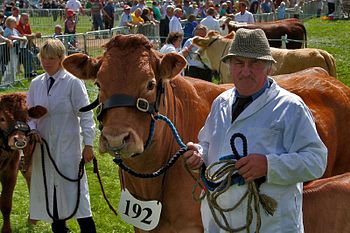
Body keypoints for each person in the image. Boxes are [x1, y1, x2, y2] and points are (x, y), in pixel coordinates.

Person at [183, 28, 327, 233]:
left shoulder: (290, 107)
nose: (245, 71)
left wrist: (269, 166)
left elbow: (316, 161)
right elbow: (207, 143)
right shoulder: (221, 103)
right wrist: (199, 153)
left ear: (269, 67)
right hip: (220, 220)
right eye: (239, 63)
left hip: (270, 225)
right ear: (229, 66)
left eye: (254, 63)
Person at [27, 39, 97, 233]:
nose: (47, 62)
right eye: (43, 58)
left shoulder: (73, 83)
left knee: (77, 195)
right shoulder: (36, 84)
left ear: (61, 59)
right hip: (44, 148)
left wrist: (89, 145)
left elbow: (86, 114)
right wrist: (32, 129)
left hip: (68, 147)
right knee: (51, 193)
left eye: (51, 58)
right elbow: (29, 114)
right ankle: (59, 229)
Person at [2, 16, 27, 84]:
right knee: (10, 66)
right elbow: (10, 37)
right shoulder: (7, 29)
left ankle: (13, 80)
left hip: (15, 49)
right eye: (14, 22)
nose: (16, 23)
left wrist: (24, 37)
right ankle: (6, 82)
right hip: (9, 50)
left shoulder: (14, 30)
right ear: (9, 22)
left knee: (14, 65)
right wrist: (21, 39)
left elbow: (20, 35)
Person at [16, 13, 41, 78]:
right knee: (29, 55)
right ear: (20, 18)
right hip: (18, 47)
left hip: (26, 46)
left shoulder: (27, 25)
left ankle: (30, 72)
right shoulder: (17, 26)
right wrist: (35, 35)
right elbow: (23, 36)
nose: (27, 21)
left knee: (31, 54)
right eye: (25, 19)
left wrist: (33, 36)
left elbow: (30, 35)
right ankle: (28, 73)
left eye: (27, 19)